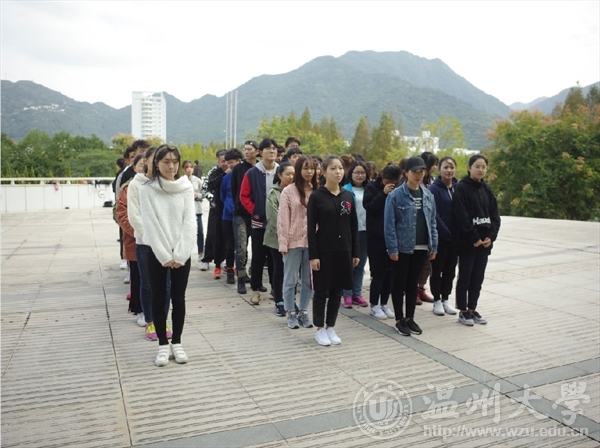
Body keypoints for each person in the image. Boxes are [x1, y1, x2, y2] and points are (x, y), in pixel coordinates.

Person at [140, 144, 196, 367]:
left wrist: (180, 254)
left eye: (174, 162)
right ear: (156, 163)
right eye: (166, 162)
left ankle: (178, 342)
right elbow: (150, 224)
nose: (171, 166)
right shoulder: (147, 189)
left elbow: (189, 222)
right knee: (159, 298)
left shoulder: (186, 187)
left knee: (179, 298)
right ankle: (163, 344)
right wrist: (165, 255)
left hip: (182, 252)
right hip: (157, 252)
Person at [308, 156, 359, 346]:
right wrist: (313, 255)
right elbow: (310, 228)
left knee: (338, 290)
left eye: (340, 168)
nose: (338, 172)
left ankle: (330, 326)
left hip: (344, 250)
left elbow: (354, 226)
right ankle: (319, 328)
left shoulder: (348, 196)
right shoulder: (317, 197)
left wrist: (355, 252)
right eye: (333, 168)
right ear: (323, 171)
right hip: (324, 251)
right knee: (321, 290)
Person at [384, 157, 438, 337]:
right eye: (415, 172)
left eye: (421, 172)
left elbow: (432, 223)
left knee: (413, 283)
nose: (418, 175)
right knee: (399, 282)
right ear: (406, 172)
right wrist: (392, 248)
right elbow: (389, 224)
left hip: (422, 246)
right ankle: (399, 319)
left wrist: (434, 246)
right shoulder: (395, 195)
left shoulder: (428, 195)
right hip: (403, 247)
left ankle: (410, 318)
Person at [128, 146, 172, 342]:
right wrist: (151, 237)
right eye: (155, 159)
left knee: (167, 284)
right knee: (148, 284)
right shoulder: (136, 184)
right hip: (145, 243)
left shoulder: (167, 183)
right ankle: (150, 320)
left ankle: (163, 320)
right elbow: (134, 216)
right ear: (146, 161)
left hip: (167, 242)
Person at [452, 154, 501, 326]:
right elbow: (461, 216)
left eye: (483, 167)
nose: (480, 170)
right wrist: (474, 237)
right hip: (468, 243)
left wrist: (491, 237)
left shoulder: (487, 189)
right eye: (477, 166)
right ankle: (463, 310)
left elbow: (495, 216)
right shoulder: (461, 188)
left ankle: (472, 308)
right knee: (465, 277)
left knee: (478, 278)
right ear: (469, 168)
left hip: (484, 245)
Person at [278, 156, 318, 330]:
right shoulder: (288, 191)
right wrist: (283, 242)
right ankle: (290, 312)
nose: (309, 172)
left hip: (312, 244)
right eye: (305, 168)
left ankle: (303, 311)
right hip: (292, 243)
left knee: (309, 281)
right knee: (290, 280)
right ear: (299, 170)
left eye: (312, 168)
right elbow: (283, 219)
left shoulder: (318, 191)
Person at [240, 138, 279, 304]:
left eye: (274, 148)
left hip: (278, 223)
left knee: (275, 258)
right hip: (259, 222)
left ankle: (276, 289)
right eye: (268, 149)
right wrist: (255, 211)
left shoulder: (281, 171)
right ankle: (255, 290)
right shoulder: (252, 173)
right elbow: (244, 195)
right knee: (258, 257)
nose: (272, 151)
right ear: (260, 152)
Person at [363, 163, 401, 319]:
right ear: (382, 176)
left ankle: (384, 303)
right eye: (388, 181)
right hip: (376, 237)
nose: (391, 184)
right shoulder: (371, 187)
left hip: (393, 236)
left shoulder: (400, 188)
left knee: (390, 273)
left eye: (394, 182)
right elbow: (369, 207)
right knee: (378, 273)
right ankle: (374, 305)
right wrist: (383, 193)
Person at [429, 157, 459, 316]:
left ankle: (446, 299)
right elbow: (434, 214)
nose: (449, 170)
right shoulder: (434, 189)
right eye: (446, 167)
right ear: (439, 169)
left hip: (456, 238)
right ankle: (437, 300)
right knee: (437, 270)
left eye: (452, 167)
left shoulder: (458, 188)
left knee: (450, 270)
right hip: (440, 238)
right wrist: (445, 232)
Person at [116, 154, 145, 318]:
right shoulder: (127, 188)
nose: (145, 168)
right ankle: (138, 308)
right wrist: (137, 232)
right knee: (137, 275)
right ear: (134, 168)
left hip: (154, 241)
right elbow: (121, 214)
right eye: (141, 165)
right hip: (134, 240)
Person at [264, 162, 295, 317]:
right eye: (287, 174)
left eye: (293, 174)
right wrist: (286, 235)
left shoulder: (297, 191)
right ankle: (279, 301)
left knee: (292, 271)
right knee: (279, 270)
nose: (291, 177)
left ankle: (290, 300)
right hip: (276, 239)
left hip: (295, 238)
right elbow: (274, 218)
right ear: (279, 175)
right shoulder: (273, 193)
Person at [231, 140, 260, 294]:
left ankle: (256, 279)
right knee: (241, 248)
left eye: (250, 149)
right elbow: (234, 190)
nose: (247, 152)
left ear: (257, 151)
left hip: (258, 214)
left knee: (258, 249)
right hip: (241, 214)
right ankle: (241, 278)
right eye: (245, 149)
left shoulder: (261, 168)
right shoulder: (238, 169)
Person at [341, 161, 370, 308]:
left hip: (365, 231)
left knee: (360, 264)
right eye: (357, 172)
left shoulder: (370, 189)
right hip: (350, 232)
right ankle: (347, 293)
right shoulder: (345, 190)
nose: (360, 175)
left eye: (362, 172)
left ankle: (357, 293)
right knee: (348, 264)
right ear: (351, 174)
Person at [415, 151, 440, 304]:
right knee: (416, 263)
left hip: (430, 226)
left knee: (427, 263)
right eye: (433, 165)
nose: (434, 168)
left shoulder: (433, 181)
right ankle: (412, 290)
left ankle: (421, 288)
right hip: (416, 228)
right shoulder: (415, 182)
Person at [200, 149, 227, 278]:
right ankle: (206, 259)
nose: (225, 163)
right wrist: (214, 200)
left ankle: (223, 259)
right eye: (223, 161)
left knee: (226, 235)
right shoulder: (213, 172)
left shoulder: (233, 171)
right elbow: (204, 190)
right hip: (215, 208)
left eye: (227, 161)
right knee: (212, 234)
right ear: (218, 161)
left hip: (228, 209)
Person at [220, 149, 243, 284]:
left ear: (239, 161)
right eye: (227, 163)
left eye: (232, 162)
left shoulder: (246, 175)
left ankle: (242, 273)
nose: (229, 166)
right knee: (229, 246)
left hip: (242, 215)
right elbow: (223, 196)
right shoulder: (226, 178)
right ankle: (230, 270)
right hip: (228, 216)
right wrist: (229, 206)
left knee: (241, 246)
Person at [183, 160, 204, 262]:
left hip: (197, 210)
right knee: (185, 233)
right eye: (186, 167)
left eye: (190, 167)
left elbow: (204, 193)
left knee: (200, 232)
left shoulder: (198, 181)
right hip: (185, 211)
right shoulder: (181, 181)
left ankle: (201, 252)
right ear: (183, 169)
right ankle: (185, 252)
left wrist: (197, 196)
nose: (189, 169)